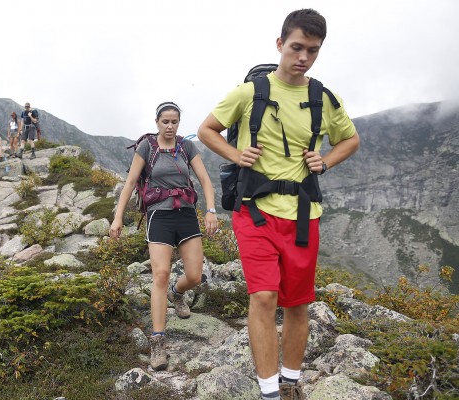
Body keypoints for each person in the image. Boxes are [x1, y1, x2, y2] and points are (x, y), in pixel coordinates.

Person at [197, 9, 360, 400]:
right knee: (265, 296)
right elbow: (206, 130)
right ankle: (269, 391)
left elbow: (350, 139)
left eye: (313, 51)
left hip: (304, 216)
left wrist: (326, 161)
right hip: (254, 210)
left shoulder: (323, 97)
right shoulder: (249, 93)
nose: (303, 57)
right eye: (297, 47)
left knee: (299, 304)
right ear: (280, 44)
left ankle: (290, 382)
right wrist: (237, 155)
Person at [109, 101, 218, 371]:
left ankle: (176, 293)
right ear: (157, 122)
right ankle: (158, 340)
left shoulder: (186, 146)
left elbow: (204, 179)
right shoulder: (147, 147)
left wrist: (211, 210)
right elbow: (131, 182)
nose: (170, 127)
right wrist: (118, 217)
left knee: (194, 275)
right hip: (159, 216)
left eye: (174, 122)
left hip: (186, 215)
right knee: (160, 274)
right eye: (165, 122)